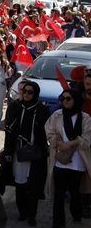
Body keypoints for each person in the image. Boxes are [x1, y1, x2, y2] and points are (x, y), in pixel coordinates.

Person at [0, 81, 48, 226]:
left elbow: (45, 132)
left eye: (30, 92)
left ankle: (32, 215)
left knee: (34, 186)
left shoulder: (41, 109)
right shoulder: (15, 107)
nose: (26, 94)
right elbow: (9, 132)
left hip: (35, 154)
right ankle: (23, 212)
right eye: (24, 91)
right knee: (20, 184)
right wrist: (8, 152)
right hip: (18, 153)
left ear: (35, 93)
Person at [44, 89, 91, 228]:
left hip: (78, 162)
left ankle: (76, 214)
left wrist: (70, 144)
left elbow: (87, 138)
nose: (64, 101)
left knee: (75, 192)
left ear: (75, 99)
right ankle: (58, 223)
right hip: (60, 161)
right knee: (59, 194)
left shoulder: (86, 118)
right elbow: (49, 132)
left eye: (68, 98)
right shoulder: (57, 115)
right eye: (62, 98)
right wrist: (58, 143)